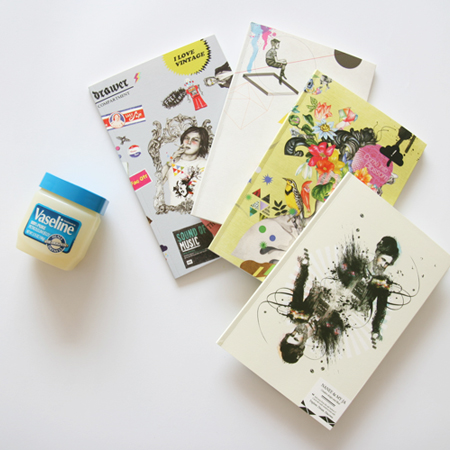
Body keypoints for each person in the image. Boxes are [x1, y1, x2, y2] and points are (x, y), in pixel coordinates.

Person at [278, 252, 344, 364]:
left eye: (291, 334)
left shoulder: (298, 315)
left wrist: (304, 267)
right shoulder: (321, 336)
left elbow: (298, 288)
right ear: (301, 346)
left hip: (329, 276)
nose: (295, 332)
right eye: (296, 338)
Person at [334, 236, 400, 347]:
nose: (383, 266)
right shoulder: (357, 265)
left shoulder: (381, 283)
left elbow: (381, 309)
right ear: (377, 253)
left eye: (387, 264)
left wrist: (376, 330)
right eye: (383, 260)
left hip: (353, 321)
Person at [161, 126, 209, 207]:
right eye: (186, 138)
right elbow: (157, 183)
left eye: (195, 140)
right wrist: (171, 161)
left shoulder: (205, 164)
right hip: (175, 211)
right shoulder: (172, 164)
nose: (189, 142)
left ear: (201, 145)